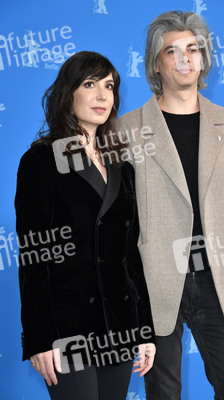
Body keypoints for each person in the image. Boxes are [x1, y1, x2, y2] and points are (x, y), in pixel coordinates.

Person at [116, 11, 224, 400]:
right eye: (171, 51)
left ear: (203, 58)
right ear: (155, 64)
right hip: (153, 282)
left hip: (217, 279)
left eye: (192, 49)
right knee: (163, 394)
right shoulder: (126, 131)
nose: (184, 59)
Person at [15, 51, 155, 400]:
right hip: (68, 328)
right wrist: (39, 337)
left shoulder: (122, 166)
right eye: (90, 84)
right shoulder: (42, 160)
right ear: (68, 93)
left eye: (109, 86)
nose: (102, 95)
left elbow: (131, 257)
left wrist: (145, 330)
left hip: (119, 325)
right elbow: (34, 256)